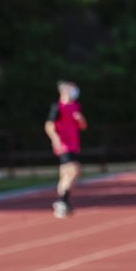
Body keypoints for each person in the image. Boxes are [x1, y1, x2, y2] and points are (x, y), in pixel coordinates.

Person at [44, 80, 88, 218]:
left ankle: (62, 203)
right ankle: (62, 200)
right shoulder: (57, 107)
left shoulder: (76, 106)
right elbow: (49, 125)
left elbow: (83, 126)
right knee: (74, 170)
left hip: (74, 144)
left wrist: (80, 119)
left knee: (65, 174)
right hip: (63, 145)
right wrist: (55, 139)